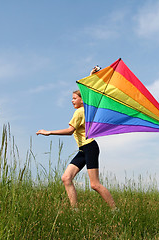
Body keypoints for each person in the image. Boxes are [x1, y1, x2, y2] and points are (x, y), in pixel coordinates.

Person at [36, 67, 116, 210]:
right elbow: (89, 92)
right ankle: (75, 211)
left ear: (81, 100)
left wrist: (49, 132)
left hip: (90, 147)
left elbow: (69, 131)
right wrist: (91, 76)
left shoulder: (79, 112)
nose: (72, 101)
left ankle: (115, 210)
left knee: (94, 184)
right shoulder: (86, 109)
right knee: (66, 178)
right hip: (83, 149)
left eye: (74, 98)